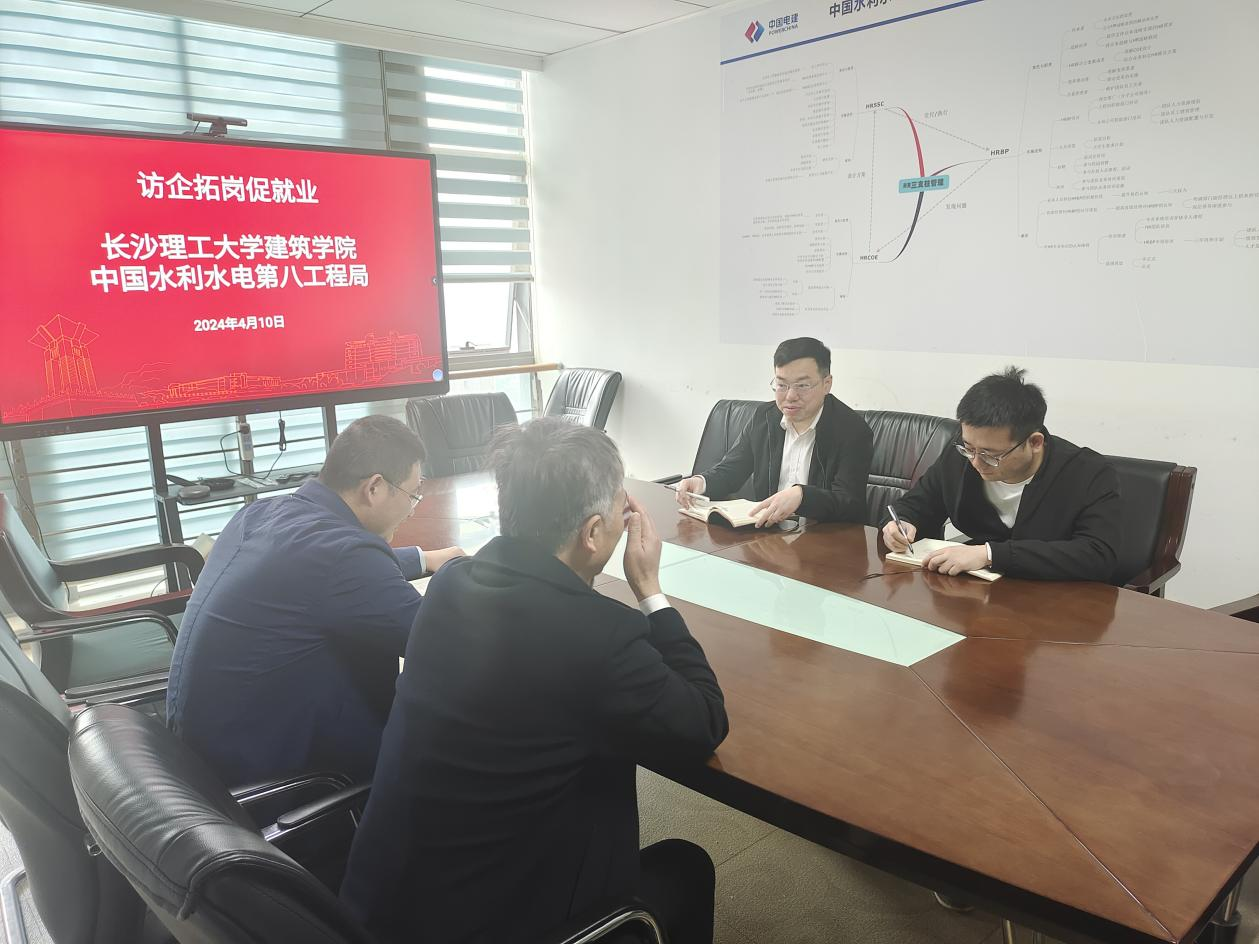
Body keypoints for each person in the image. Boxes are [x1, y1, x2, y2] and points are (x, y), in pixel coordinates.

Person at [340, 418, 728, 944]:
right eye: (621, 509)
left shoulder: (452, 583)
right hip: (490, 924)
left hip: (381, 911)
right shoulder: (598, 636)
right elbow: (703, 722)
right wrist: (650, 591)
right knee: (685, 867)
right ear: (592, 532)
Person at [166, 414, 465, 786]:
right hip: (271, 780)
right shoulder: (343, 557)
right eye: (412, 494)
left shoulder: (261, 513)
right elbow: (443, 644)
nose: (412, 508)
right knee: (461, 733)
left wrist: (424, 558)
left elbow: (324, 568)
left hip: (203, 758)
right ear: (374, 487)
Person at [882, 367, 1122, 582]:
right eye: (968, 447)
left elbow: (1098, 555)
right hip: (976, 594)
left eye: (990, 455)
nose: (975, 462)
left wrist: (990, 554)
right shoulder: (961, 456)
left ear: (1035, 442)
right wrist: (900, 524)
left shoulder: (1087, 473)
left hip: (1056, 599)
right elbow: (918, 504)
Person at [674, 337, 873, 526]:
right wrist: (701, 482)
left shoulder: (852, 431)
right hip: (768, 534)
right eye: (782, 385)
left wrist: (803, 496)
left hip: (823, 539)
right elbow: (732, 470)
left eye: (802, 385)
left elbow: (849, 503)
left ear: (826, 384)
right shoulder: (764, 418)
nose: (790, 396)